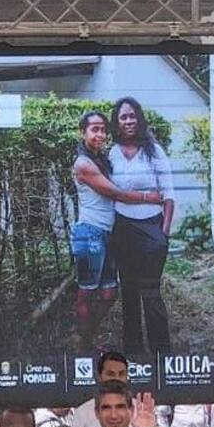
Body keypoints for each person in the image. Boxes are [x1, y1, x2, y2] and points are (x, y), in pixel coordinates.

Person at [70, 110, 162, 348]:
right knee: (86, 293)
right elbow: (116, 193)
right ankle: (82, 343)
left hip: (108, 233)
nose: (100, 134)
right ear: (83, 132)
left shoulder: (102, 158)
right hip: (90, 233)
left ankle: (85, 337)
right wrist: (148, 197)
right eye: (94, 129)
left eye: (103, 129)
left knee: (110, 294)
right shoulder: (83, 164)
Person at [108, 97, 175, 353]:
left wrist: (163, 233)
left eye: (132, 116)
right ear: (117, 122)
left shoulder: (154, 151)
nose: (128, 121)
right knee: (129, 293)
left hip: (151, 229)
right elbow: (111, 192)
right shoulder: (112, 152)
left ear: (139, 118)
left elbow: (168, 195)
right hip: (123, 228)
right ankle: (134, 354)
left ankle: (162, 355)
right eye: (123, 117)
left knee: (151, 293)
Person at [68, 350, 131, 427]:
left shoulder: (140, 411)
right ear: (99, 377)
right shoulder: (82, 413)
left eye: (121, 374)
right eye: (111, 374)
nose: (116, 379)